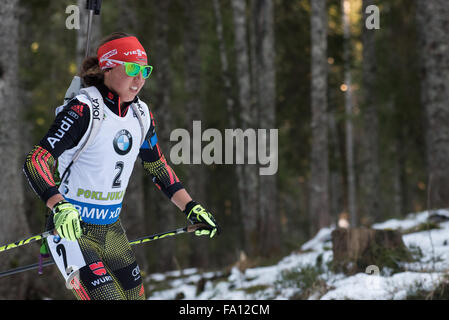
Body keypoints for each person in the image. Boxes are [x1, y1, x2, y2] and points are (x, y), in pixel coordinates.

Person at [23, 32, 219, 300]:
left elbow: (157, 166)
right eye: (131, 69)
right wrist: (58, 205)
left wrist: (191, 207)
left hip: (111, 229)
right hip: (72, 229)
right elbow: (36, 160)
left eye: (144, 70)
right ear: (108, 67)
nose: (139, 79)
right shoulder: (84, 110)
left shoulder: (141, 115)